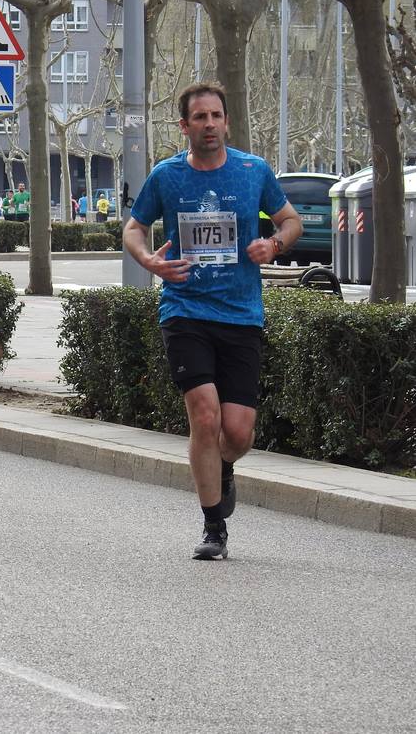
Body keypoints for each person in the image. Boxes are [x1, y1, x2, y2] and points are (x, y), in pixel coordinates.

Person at [123, 81, 302, 561]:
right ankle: (213, 527)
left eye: (215, 116)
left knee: (238, 432)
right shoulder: (167, 176)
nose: (209, 125)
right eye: (199, 117)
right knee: (204, 414)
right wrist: (150, 262)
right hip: (186, 310)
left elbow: (291, 221)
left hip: (242, 315)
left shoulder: (252, 172)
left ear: (226, 122)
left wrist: (275, 245)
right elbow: (134, 227)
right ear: (184, 126)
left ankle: (222, 468)